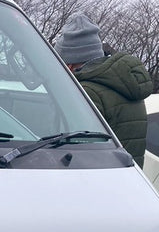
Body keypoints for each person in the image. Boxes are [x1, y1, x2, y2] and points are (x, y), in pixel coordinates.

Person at [55, 13, 153, 167]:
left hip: (96, 178)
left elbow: (79, 151)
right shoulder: (127, 84)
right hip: (128, 175)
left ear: (69, 64)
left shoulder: (87, 92)